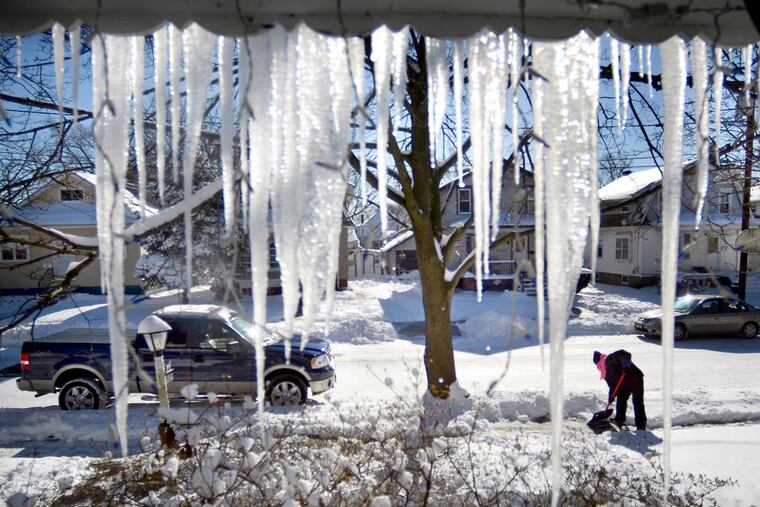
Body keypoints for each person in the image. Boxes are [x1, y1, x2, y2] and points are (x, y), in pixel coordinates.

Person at [592, 350, 647, 430]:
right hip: (624, 383)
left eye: (598, 364)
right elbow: (612, 386)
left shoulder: (610, 359)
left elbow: (624, 353)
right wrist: (611, 397)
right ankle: (619, 420)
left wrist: (626, 364)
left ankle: (641, 426)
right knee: (621, 399)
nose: (598, 367)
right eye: (597, 366)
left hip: (635, 379)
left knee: (637, 402)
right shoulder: (605, 373)